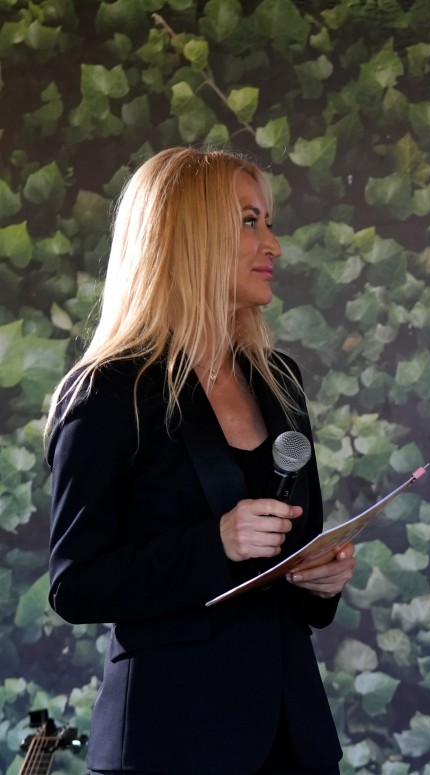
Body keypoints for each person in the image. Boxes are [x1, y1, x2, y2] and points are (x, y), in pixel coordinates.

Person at [45, 147, 355, 774]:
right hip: (169, 741)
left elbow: (299, 544)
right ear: (189, 237)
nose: (274, 245)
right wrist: (215, 543)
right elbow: (75, 585)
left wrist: (320, 579)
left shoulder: (280, 380)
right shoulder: (110, 392)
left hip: (291, 739)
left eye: (268, 222)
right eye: (249, 222)